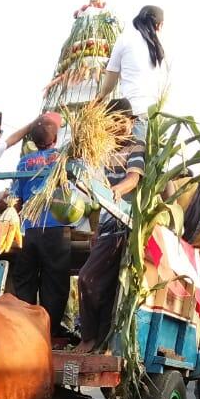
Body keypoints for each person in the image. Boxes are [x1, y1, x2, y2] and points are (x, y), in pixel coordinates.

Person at [75, 99, 146, 352]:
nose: (118, 126)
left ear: (131, 122)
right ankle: (100, 341)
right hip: (105, 225)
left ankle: (89, 338)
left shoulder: (135, 146)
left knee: (87, 278)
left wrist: (117, 191)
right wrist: (96, 229)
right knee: (103, 287)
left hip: (121, 225)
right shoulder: (104, 151)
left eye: (122, 121)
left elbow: (133, 178)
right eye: (112, 121)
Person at [10, 114, 80, 337]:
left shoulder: (24, 162)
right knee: (55, 283)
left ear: (33, 140)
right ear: (56, 138)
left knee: (25, 282)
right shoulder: (63, 159)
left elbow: (15, 199)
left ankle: (25, 332)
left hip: (28, 231)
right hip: (56, 230)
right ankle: (47, 334)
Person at [97, 5, 168, 141]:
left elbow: (109, 83)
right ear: (160, 25)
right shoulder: (161, 48)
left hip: (133, 117)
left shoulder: (125, 39)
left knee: (131, 160)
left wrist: (100, 98)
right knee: (154, 162)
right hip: (158, 119)